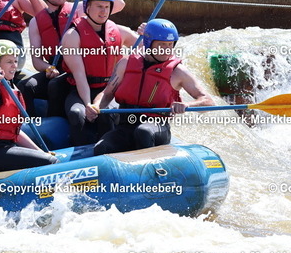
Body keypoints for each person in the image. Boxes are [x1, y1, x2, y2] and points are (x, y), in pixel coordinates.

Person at [92, 19, 215, 155]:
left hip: (156, 127)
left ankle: (150, 165)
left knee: (143, 132)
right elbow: (107, 93)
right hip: (125, 125)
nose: (166, 49)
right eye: (162, 44)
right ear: (148, 43)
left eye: (170, 44)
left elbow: (208, 101)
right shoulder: (126, 63)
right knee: (102, 147)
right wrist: (95, 106)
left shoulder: (177, 71)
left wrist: (187, 105)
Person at [18, 0, 125, 117]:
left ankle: (58, 118)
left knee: (55, 85)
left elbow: (119, 5)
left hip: (79, 68)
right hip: (55, 68)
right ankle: (32, 124)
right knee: (26, 86)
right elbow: (36, 60)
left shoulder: (81, 8)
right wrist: (48, 68)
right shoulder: (36, 22)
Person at [61, 0, 138, 146]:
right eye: (99, 6)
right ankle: (80, 151)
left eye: (106, 7)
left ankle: (107, 148)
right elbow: (79, 75)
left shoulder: (119, 31)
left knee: (106, 113)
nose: (103, 11)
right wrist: (88, 104)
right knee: (77, 114)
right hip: (81, 89)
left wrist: (147, 33)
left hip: (110, 89)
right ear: (87, 7)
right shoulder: (72, 36)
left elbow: (150, 49)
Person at [0, 39, 57, 172]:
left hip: (5, 148)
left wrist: (41, 152)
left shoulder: (12, 89)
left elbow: (16, 133)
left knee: (48, 158)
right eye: (9, 62)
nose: (14, 65)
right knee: (50, 162)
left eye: (15, 61)